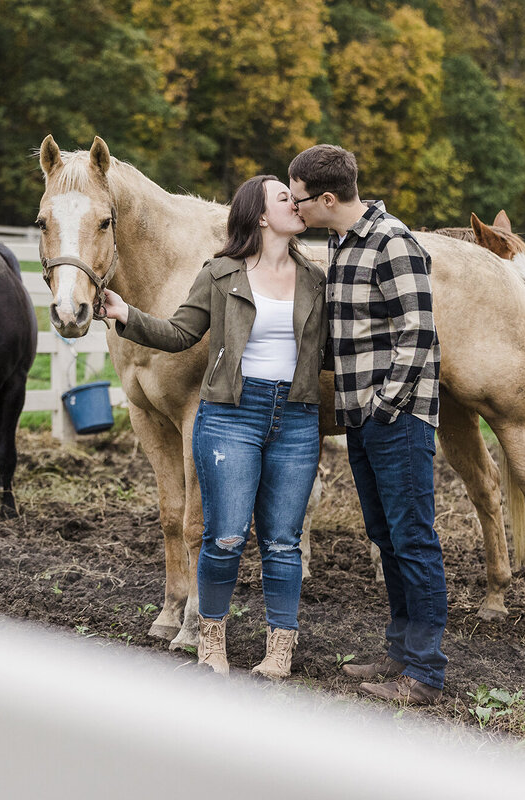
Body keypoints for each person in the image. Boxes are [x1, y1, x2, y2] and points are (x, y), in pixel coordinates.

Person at [99, 175, 327, 680]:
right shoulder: (220, 273)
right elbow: (180, 333)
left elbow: (330, 351)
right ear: (262, 216)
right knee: (224, 536)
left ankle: (280, 649)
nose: (297, 202)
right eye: (284, 197)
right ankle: (210, 638)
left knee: (283, 543)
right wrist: (126, 315)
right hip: (232, 415)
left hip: (295, 417)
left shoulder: (314, 279)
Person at [288, 144, 448, 705]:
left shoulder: (393, 243)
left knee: (413, 538)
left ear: (327, 198)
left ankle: (425, 673)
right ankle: (400, 651)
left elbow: (420, 331)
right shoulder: (339, 242)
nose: (294, 206)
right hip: (360, 414)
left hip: (395, 417)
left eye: (300, 198)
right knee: (386, 536)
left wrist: (386, 403)